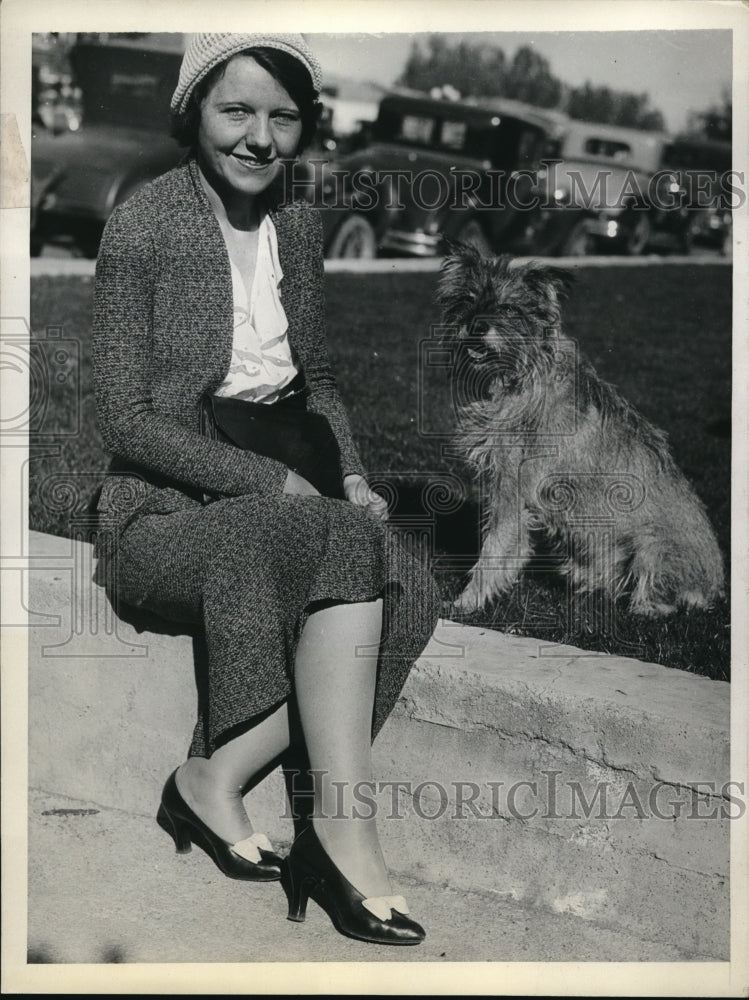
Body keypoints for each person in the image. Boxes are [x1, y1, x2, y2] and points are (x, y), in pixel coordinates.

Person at [91, 32, 440, 947]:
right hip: (162, 518)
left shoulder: (296, 222)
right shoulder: (145, 226)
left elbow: (316, 378)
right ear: (191, 113)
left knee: (413, 588)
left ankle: (211, 779)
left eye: (282, 117)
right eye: (235, 110)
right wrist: (272, 480)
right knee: (334, 541)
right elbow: (124, 419)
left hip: (278, 489)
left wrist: (351, 474)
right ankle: (343, 834)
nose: (259, 138)